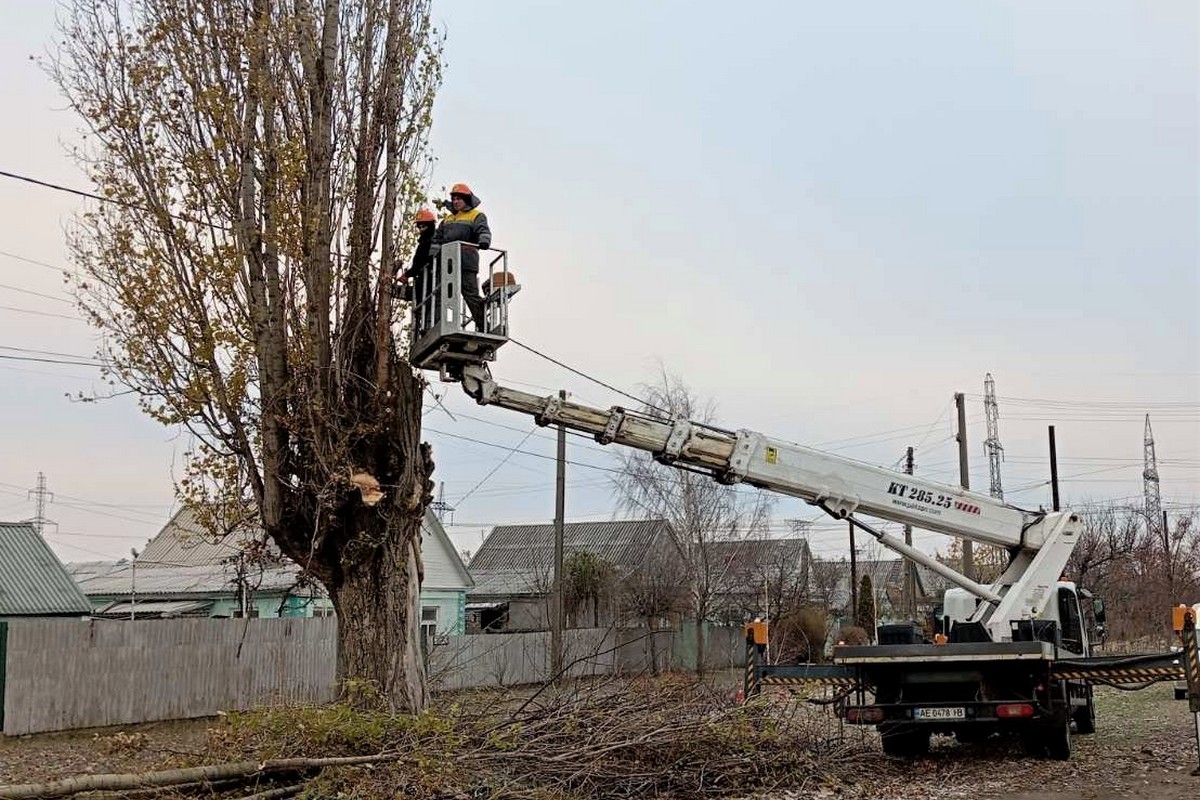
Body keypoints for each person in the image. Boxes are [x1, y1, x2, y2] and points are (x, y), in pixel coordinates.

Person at [431, 182, 491, 331]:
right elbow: (437, 239)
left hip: (466, 261)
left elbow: (483, 230)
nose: (456, 201)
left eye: (459, 198)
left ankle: (483, 324)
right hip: (447, 262)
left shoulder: (476, 215)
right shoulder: (447, 219)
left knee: (470, 293)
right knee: (440, 294)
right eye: (454, 198)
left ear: (467, 200)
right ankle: (438, 326)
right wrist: (433, 254)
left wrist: (484, 240)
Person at [397, 207, 437, 303]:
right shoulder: (427, 241)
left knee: (424, 302)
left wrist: (407, 274)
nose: (421, 230)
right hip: (427, 278)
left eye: (424, 227)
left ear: (430, 226)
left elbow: (419, 262)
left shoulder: (429, 242)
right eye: (419, 227)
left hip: (430, 278)